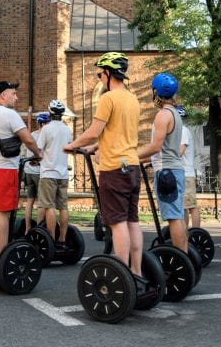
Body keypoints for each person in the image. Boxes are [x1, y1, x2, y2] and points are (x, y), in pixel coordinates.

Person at [63, 52, 143, 278]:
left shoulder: (108, 98)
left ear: (108, 73)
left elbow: (93, 131)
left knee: (117, 224)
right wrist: (95, 148)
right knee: (132, 221)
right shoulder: (132, 99)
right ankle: (136, 271)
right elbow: (117, 133)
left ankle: (123, 274)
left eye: (99, 74)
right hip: (133, 166)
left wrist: (73, 145)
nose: (99, 78)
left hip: (114, 169)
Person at [0, 81, 43, 270]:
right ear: (3, 95)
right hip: (4, 170)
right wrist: (38, 154)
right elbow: (28, 138)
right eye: (13, 93)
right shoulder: (9, 115)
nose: (16, 97)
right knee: (3, 213)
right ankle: (4, 255)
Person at [137, 72, 188, 252]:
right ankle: (185, 257)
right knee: (178, 216)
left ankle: (180, 258)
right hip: (175, 170)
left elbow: (155, 147)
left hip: (167, 172)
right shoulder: (175, 113)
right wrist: (142, 160)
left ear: (156, 92)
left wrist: (131, 156)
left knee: (173, 217)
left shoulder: (162, 115)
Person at [36, 100, 72, 248]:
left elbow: (38, 149)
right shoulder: (66, 129)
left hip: (48, 173)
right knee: (63, 207)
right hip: (63, 174)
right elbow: (69, 148)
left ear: (50, 113)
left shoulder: (46, 129)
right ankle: (62, 240)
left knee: (49, 206)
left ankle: (50, 239)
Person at [22, 113, 49, 234]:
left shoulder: (31, 135)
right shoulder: (45, 136)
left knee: (30, 200)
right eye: (47, 123)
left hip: (28, 171)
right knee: (42, 202)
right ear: (43, 124)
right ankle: (39, 230)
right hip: (39, 173)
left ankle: (27, 228)